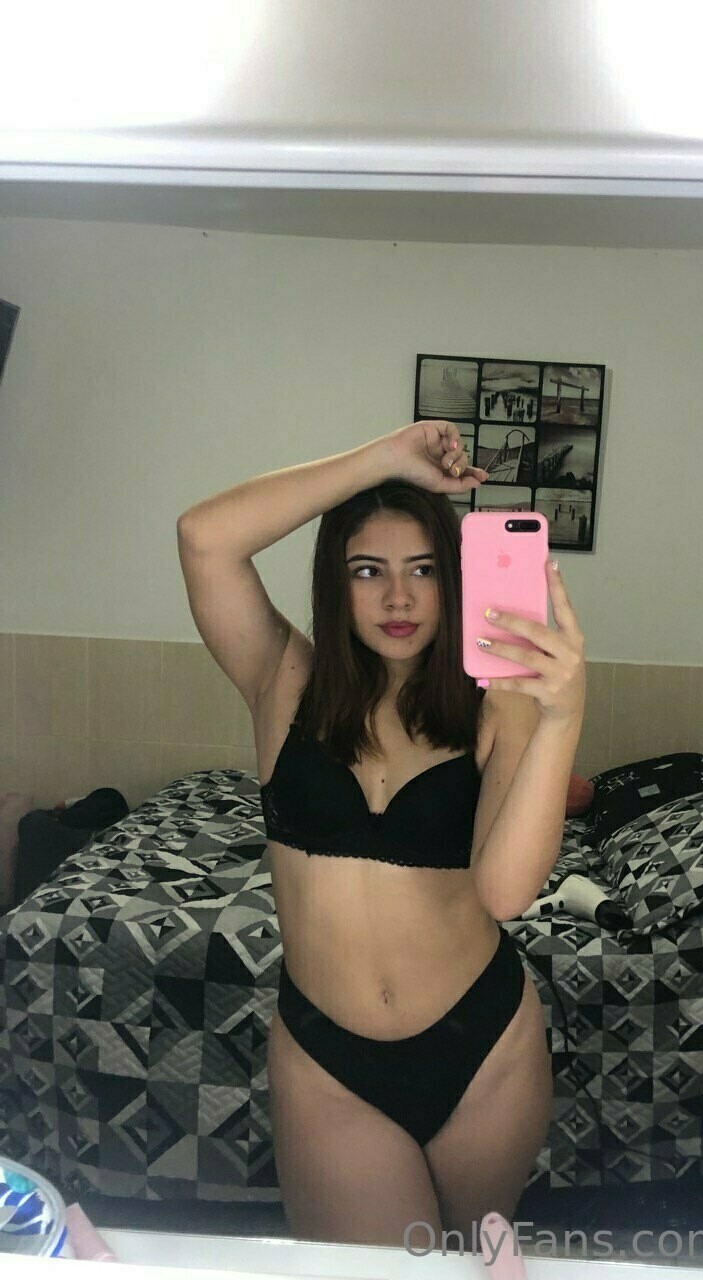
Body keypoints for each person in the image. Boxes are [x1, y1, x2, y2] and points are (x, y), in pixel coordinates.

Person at [176, 420, 586, 1249]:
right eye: (368, 570)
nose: (399, 598)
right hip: (329, 1065)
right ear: (336, 582)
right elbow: (204, 537)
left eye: (423, 570)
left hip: (484, 1053)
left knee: (469, 1269)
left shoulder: (497, 702)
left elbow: (505, 891)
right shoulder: (283, 679)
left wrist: (564, 715)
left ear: (454, 581)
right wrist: (383, 461)